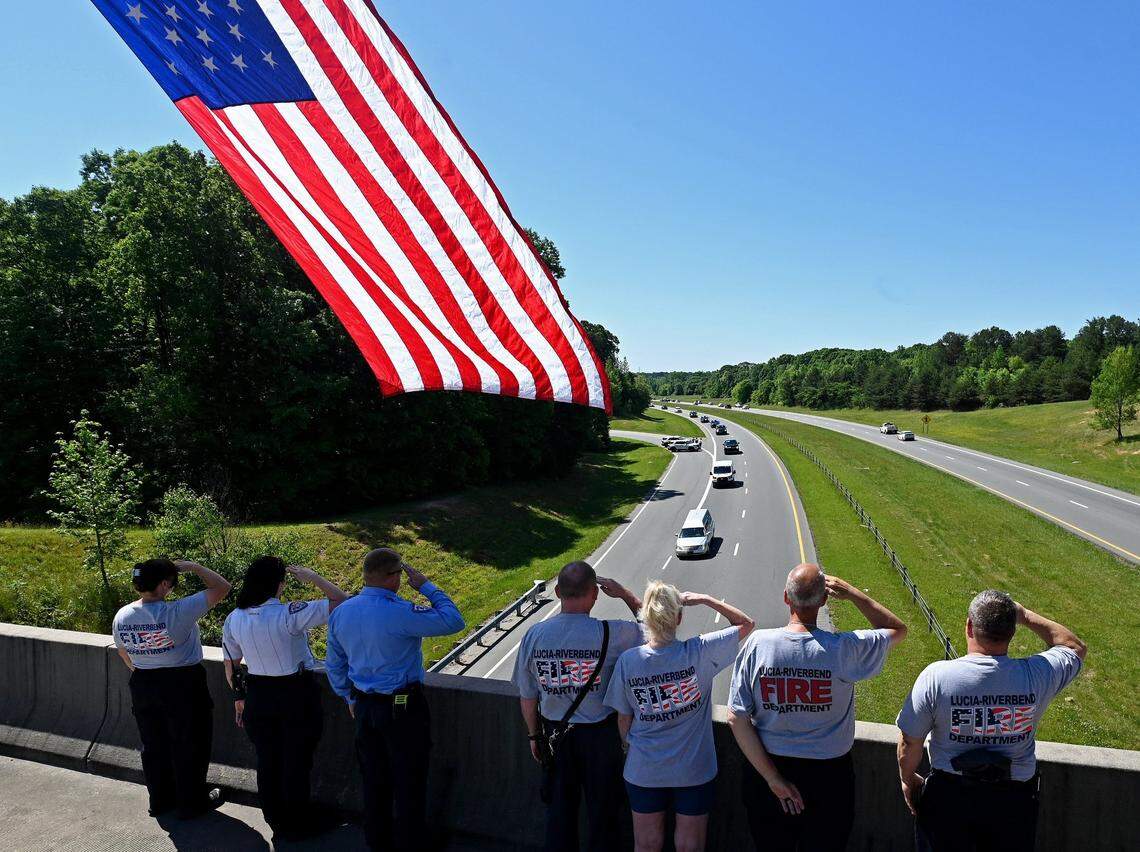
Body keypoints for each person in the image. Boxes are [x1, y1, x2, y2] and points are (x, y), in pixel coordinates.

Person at [726, 564, 908, 851]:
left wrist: (773, 779)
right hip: (830, 777)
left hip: (768, 771)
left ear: (786, 598)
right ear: (824, 601)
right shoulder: (843, 649)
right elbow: (898, 629)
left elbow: (736, 716)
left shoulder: (757, 645)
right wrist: (854, 594)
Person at [896, 590, 1086, 851]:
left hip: (949, 798)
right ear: (1012, 631)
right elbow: (1073, 646)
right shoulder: (1036, 675)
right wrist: (1025, 615)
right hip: (1013, 800)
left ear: (969, 627)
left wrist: (908, 779)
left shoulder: (937, 677)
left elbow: (910, 740)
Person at [325, 547, 466, 851]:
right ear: (394, 577)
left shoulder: (342, 612)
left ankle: (377, 840)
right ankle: (411, 842)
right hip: (402, 707)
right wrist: (426, 586)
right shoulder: (401, 612)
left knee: (373, 779)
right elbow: (454, 620)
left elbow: (334, 664)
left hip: (363, 705)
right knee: (409, 778)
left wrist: (348, 696)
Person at [603, 581, 754, 852]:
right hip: (694, 769)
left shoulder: (629, 661)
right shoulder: (700, 651)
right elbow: (745, 624)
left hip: (644, 768)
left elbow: (623, 719)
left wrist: (628, 746)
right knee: (690, 845)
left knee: (646, 844)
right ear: (680, 617)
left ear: (645, 618)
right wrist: (706, 598)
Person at [512, 561, 644, 852]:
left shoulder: (534, 636)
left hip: (554, 734)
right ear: (594, 595)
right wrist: (626, 596)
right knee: (604, 814)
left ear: (557, 592)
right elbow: (654, 631)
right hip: (601, 737)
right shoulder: (612, 634)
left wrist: (534, 735)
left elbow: (528, 695)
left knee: (559, 813)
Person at [221, 556, 348, 842]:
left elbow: (232, 663)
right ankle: (298, 822)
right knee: (297, 761)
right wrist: (313, 577)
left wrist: (238, 697)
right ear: (279, 584)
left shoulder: (235, 618)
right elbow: (343, 601)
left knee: (268, 760)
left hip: (257, 695)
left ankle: (276, 819)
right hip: (294, 694)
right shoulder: (290, 613)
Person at [112, 557, 231, 819]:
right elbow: (222, 587)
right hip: (183, 683)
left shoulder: (122, 615)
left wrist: (147, 667)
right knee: (190, 743)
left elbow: (123, 653)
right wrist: (195, 567)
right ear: (165, 584)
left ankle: (161, 800)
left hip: (143, 683)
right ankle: (192, 803)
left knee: (153, 745)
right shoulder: (177, 611)